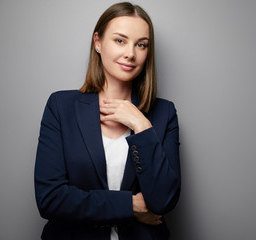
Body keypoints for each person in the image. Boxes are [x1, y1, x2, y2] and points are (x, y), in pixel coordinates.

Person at [34, 2, 181, 240]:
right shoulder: (61, 107)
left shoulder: (164, 112)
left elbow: (164, 200)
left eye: (141, 45)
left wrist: (141, 126)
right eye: (120, 40)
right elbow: (50, 198)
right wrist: (129, 206)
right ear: (98, 42)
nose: (131, 53)